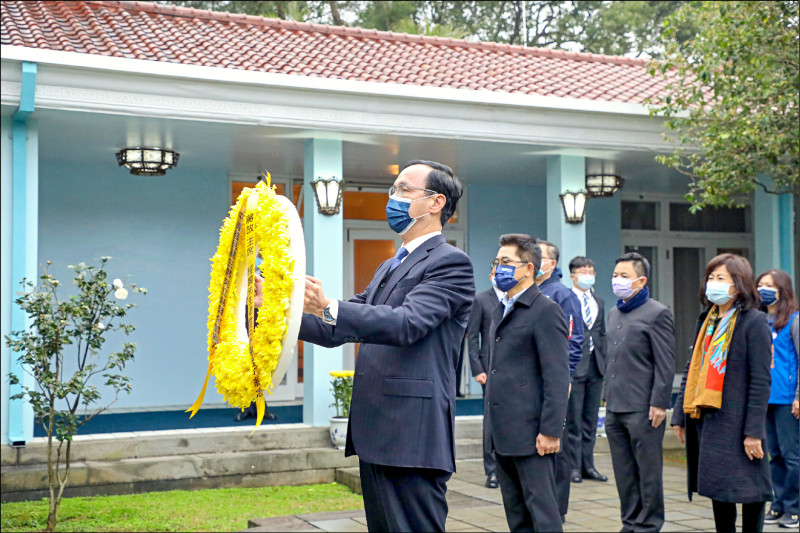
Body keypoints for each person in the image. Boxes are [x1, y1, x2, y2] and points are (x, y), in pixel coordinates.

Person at [300, 160, 475, 532]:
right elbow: (336, 330)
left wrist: (328, 305)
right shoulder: (389, 266)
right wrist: (273, 315)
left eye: (403, 190)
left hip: (411, 434)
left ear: (436, 202)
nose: (392, 199)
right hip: (376, 430)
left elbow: (407, 324)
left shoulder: (451, 263)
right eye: (392, 190)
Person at [671, 254, 772, 533]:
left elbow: (761, 381)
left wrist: (753, 432)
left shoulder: (755, 322)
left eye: (720, 278)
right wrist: (680, 414)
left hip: (739, 421)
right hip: (710, 420)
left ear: (738, 285)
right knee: (719, 491)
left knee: (751, 490)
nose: (711, 284)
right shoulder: (707, 320)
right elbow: (692, 369)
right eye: (710, 278)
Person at [484, 233, 570, 532]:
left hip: (533, 436)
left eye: (506, 262)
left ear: (529, 269)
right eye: (497, 262)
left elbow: (557, 377)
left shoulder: (546, 311)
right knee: (517, 518)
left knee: (543, 516)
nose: (498, 268)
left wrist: (550, 431)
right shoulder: (501, 309)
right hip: (504, 432)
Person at [605, 252, 675, 532]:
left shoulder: (657, 313)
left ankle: (649, 523)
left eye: (624, 276)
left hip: (643, 407)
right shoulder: (613, 312)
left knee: (647, 472)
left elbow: (665, 362)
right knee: (624, 472)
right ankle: (630, 521)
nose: (617, 281)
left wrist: (659, 403)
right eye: (615, 275)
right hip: (614, 406)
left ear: (641, 280)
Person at [535, 239, 584, 522]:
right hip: (532, 384)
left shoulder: (562, 295)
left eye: (538, 256)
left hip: (554, 384)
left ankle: (558, 509)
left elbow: (574, 340)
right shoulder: (528, 291)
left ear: (551, 264)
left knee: (557, 447)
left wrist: (565, 377)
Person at [756, 269, 799, 528]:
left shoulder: (794, 320)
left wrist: (798, 396)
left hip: (787, 399)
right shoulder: (759, 319)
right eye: (760, 284)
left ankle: (794, 508)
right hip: (765, 398)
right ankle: (778, 504)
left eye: (769, 285)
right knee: (774, 455)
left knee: (791, 455)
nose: (763, 289)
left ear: (782, 290)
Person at [566, 256, 608, 484]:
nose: (588, 275)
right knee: (574, 420)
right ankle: (573, 467)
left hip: (596, 365)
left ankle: (588, 465)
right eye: (583, 270)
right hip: (575, 367)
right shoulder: (566, 298)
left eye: (591, 270)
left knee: (590, 421)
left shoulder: (599, 301)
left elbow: (600, 332)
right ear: (572, 275)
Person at [467, 266, 503, 489]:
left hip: (514, 370)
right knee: (491, 420)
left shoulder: (516, 298)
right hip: (488, 370)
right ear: (490, 276)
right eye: (496, 272)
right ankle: (492, 470)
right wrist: (477, 369)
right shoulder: (481, 300)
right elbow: (472, 339)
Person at [233, 269, 276, 422]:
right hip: (243, 327)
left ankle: (261, 409)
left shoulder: (270, 272)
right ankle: (245, 408)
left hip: (262, 328)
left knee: (260, 370)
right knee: (244, 369)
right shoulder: (241, 272)